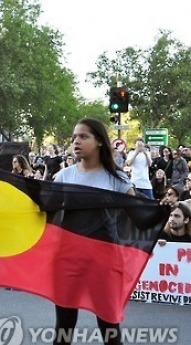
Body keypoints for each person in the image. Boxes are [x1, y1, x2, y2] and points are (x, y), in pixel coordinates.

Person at [53, 118, 134, 345]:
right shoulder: (63, 177)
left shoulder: (117, 179)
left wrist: (163, 211)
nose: (76, 141)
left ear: (99, 141)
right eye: (74, 137)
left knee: (109, 326)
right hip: (68, 259)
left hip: (105, 261)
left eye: (83, 136)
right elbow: (45, 213)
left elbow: (139, 214)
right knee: (64, 326)